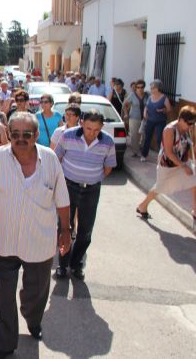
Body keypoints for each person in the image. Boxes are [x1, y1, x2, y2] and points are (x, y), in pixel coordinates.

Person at [0, 112, 71, 359]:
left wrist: (66, 231)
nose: (20, 139)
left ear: (36, 135)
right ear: (8, 133)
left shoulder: (50, 160)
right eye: (14, 134)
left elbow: (62, 200)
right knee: (5, 297)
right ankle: (5, 346)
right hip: (2, 242)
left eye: (26, 135)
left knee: (35, 293)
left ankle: (32, 318)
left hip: (39, 243)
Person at [54, 109, 117, 279]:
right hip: (68, 187)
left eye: (96, 129)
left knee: (85, 230)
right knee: (64, 227)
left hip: (91, 190)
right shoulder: (68, 135)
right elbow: (56, 158)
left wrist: (94, 178)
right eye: (89, 128)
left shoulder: (108, 141)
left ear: (102, 127)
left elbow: (108, 166)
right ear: (82, 123)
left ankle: (76, 265)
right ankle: (62, 264)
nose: (92, 133)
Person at [136, 106, 196, 222]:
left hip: (182, 161)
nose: (191, 126)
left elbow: (189, 146)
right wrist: (184, 167)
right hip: (168, 165)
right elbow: (168, 153)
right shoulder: (170, 130)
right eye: (189, 123)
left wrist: (187, 163)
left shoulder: (188, 128)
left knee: (195, 180)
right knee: (159, 188)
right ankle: (142, 206)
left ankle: (195, 210)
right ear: (181, 119)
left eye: (193, 123)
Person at [141, 79, 172, 162]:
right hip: (150, 120)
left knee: (159, 139)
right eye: (151, 88)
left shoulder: (164, 98)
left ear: (158, 88)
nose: (151, 89)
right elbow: (146, 107)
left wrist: (163, 110)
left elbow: (169, 109)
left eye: (153, 87)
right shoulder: (150, 97)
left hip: (160, 121)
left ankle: (161, 156)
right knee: (147, 138)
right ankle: (144, 155)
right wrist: (144, 113)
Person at [123, 80, 149, 157]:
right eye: (138, 87)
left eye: (142, 87)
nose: (140, 89)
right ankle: (135, 151)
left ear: (144, 87)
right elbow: (124, 104)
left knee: (144, 135)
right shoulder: (132, 95)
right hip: (134, 117)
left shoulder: (148, 95)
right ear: (136, 88)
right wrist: (126, 113)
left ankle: (142, 149)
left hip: (145, 118)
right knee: (134, 135)